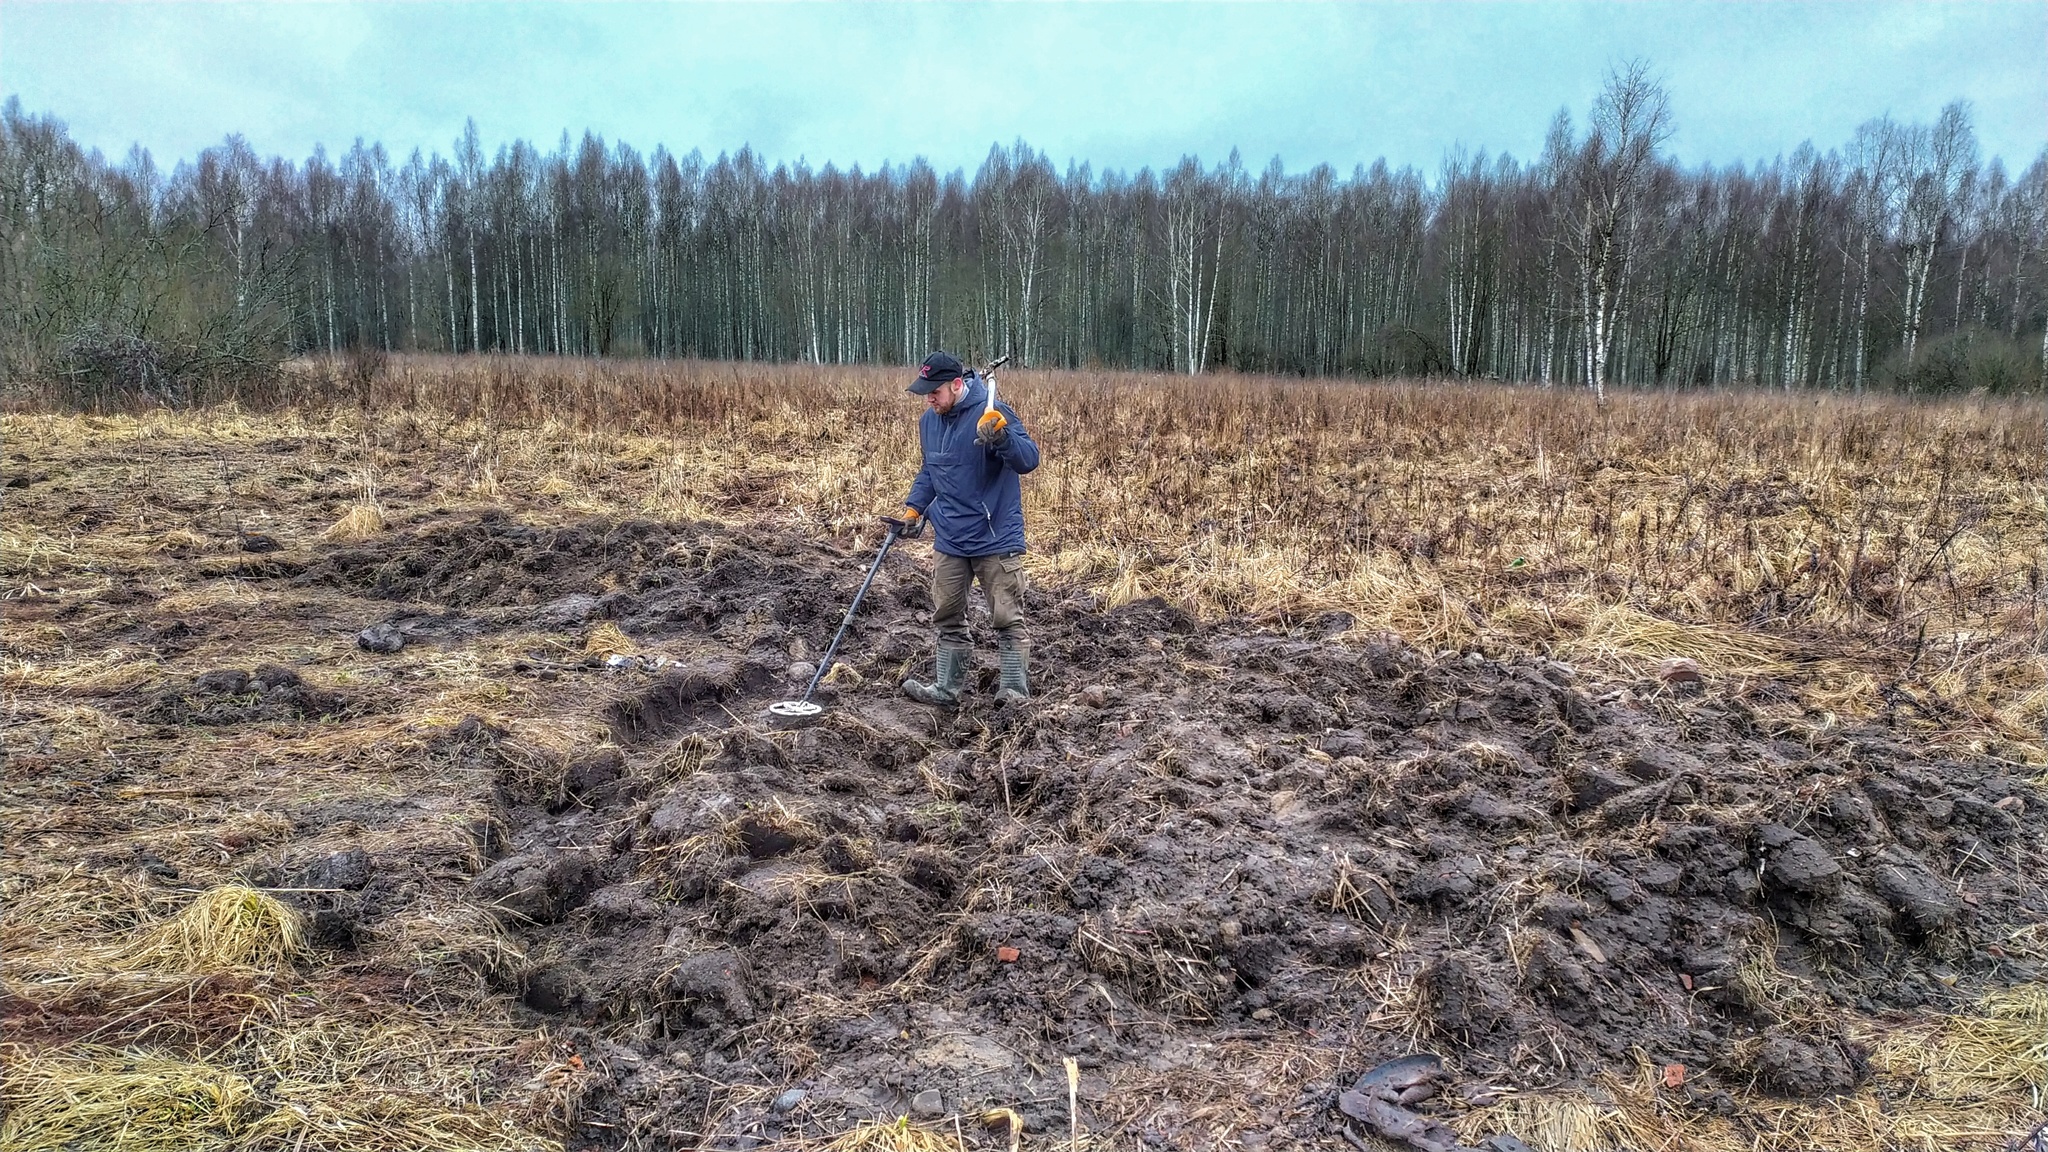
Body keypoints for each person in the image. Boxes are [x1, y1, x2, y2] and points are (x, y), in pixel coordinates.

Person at [890, 351, 1040, 706]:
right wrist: (914, 509)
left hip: (994, 536)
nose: (929, 398)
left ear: (957, 385)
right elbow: (931, 470)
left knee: (1007, 618)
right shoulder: (929, 421)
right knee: (947, 615)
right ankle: (946, 689)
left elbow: (1028, 460)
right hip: (950, 538)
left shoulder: (993, 411)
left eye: (935, 391)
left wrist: (1002, 439)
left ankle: (1014, 694)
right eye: (925, 391)